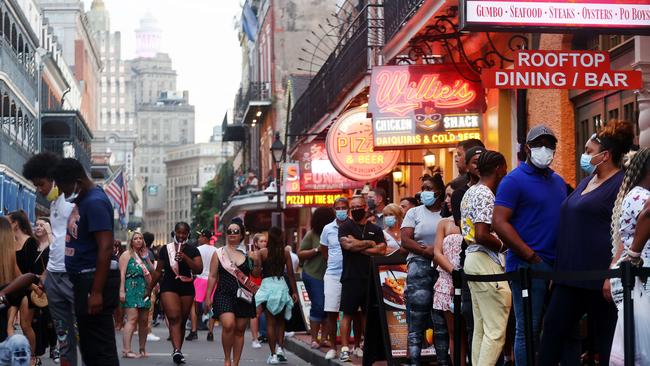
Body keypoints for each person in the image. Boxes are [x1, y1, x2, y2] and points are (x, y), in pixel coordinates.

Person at [539, 121, 634, 366]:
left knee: (606, 340)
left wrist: (612, 272)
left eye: (590, 151)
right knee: (551, 331)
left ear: (606, 155)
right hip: (569, 275)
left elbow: (625, 231)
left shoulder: (622, 184)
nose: (585, 155)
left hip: (599, 277)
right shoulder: (587, 180)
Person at [492, 125, 567, 366]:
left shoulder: (558, 181)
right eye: (539, 145)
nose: (545, 150)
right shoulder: (513, 180)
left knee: (557, 325)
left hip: (558, 265)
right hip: (527, 266)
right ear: (527, 148)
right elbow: (499, 222)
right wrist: (530, 255)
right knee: (528, 328)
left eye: (549, 145)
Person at [50, 158, 120, 366]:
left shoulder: (95, 202)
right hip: (82, 281)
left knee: (101, 349)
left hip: (93, 281)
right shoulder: (83, 200)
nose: (63, 193)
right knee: (90, 348)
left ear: (77, 181)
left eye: (64, 188)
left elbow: (105, 247)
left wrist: (96, 291)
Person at [22, 152, 78, 366]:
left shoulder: (70, 202)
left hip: (71, 276)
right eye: (35, 185)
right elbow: (56, 246)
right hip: (55, 276)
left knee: (79, 332)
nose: (39, 189)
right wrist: (46, 277)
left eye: (41, 184)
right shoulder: (54, 205)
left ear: (54, 178)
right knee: (63, 335)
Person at [460, 150, 511, 366]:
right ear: (499, 168)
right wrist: (503, 245)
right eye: (505, 168)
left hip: (473, 261)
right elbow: (481, 234)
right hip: (484, 260)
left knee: (481, 327)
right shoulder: (484, 194)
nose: (506, 173)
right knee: (496, 330)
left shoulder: (470, 191)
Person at [401, 174, 449, 366]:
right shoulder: (414, 213)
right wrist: (427, 251)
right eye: (423, 188)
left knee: (440, 317)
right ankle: (414, 360)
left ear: (438, 192)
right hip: (419, 265)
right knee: (417, 316)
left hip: (443, 266)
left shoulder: (446, 213)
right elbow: (405, 240)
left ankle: (443, 360)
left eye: (428, 188)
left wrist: (438, 254)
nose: (424, 192)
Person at [338, 195, 387, 362]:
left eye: (358, 206)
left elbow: (382, 250)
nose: (355, 210)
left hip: (370, 278)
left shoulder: (376, 229)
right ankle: (345, 349)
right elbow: (347, 245)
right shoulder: (345, 227)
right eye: (353, 208)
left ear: (366, 207)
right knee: (348, 313)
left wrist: (359, 245)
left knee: (368, 314)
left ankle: (367, 347)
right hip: (351, 277)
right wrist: (369, 243)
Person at [146, 222, 202, 364]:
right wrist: (150, 288)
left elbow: (198, 269)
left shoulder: (193, 250)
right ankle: (176, 350)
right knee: (174, 317)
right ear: (175, 232)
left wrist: (185, 258)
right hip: (169, 285)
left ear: (188, 233)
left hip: (186, 287)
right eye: (179, 232)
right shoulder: (165, 249)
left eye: (184, 233)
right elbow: (158, 271)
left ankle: (179, 350)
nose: (181, 236)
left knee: (182, 320)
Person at [204, 221, 256, 366]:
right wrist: (208, 296)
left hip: (243, 295)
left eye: (236, 232)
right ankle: (227, 360)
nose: (232, 234)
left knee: (239, 330)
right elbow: (213, 276)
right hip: (223, 293)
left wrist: (256, 260)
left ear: (241, 235)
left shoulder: (248, 253)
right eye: (229, 231)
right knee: (228, 325)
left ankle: (236, 363)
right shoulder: (218, 253)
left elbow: (256, 273)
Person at [253, 227, 299, 364]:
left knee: (270, 322)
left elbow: (256, 273)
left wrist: (255, 261)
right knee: (280, 321)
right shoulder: (285, 253)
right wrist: (295, 292)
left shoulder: (262, 252)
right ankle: (280, 349)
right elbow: (290, 273)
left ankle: (273, 355)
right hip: (281, 287)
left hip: (267, 287)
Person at [433, 184, 467, 366]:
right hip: (448, 281)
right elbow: (437, 253)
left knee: (474, 330)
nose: (447, 200)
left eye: (451, 196)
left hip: (472, 280)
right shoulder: (444, 223)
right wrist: (454, 272)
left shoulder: (473, 222)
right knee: (455, 332)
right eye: (446, 196)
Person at [297, 207, 334, 349]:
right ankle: (314, 338)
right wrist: (317, 249)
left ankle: (323, 338)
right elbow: (300, 253)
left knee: (328, 307)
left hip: (330, 275)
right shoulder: (312, 235)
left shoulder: (334, 233)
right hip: (312, 274)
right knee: (318, 304)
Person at [319, 198, 351, 360]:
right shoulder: (327, 229)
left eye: (344, 208)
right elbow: (324, 250)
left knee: (353, 312)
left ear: (348, 209)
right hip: (332, 274)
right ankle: (333, 347)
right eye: (338, 208)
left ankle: (355, 345)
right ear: (334, 210)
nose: (341, 210)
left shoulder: (354, 226)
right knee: (332, 311)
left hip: (351, 274)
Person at [8, 211, 40, 365]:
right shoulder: (9, 243)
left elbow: (33, 269)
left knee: (25, 325)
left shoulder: (30, 242)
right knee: (9, 324)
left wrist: (32, 285)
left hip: (28, 288)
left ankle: (32, 357)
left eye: (9, 221)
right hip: (13, 288)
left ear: (16, 223)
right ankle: (14, 356)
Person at [118, 231, 153, 359]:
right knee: (132, 319)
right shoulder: (126, 255)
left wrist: (147, 258)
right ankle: (126, 350)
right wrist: (121, 291)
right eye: (135, 239)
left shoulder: (144, 255)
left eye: (140, 238)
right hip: (130, 289)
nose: (138, 240)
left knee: (144, 321)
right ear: (131, 242)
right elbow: (121, 274)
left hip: (144, 289)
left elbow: (152, 271)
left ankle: (142, 349)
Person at [31, 218, 58, 364]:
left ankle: (54, 346)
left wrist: (49, 231)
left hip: (49, 285)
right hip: (33, 286)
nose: (38, 227)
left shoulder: (52, 243)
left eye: (42, 225)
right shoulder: (32, 244)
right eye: (37, 225)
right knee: (35, 319)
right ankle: (37, 353)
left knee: (49, 318)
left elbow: (57, 253)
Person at [191, 229, 217, 342]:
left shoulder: (197, 250)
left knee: (194, 305)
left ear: (205, 237)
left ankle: (194, 330)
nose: (199, 238)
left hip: (200, 279)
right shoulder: (216, 250)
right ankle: (210, 332)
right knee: (212, 307)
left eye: (200, 236)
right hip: (212, 280)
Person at [142, 231, 161, 341]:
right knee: (149, 308)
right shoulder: (149, 253)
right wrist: (156, 283)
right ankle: (148, 331)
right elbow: (153, 270)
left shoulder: (138, 252)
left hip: (140, 283)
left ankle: (142, 330)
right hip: (148, 283)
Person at [249, 233, 267, 348]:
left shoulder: (266, 254)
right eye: (261, 241)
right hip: (255, 285)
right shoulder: (252, 255)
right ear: (255, 243)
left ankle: (261, 335)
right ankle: (254, 339)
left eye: (265, 241)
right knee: (256, 312)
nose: (264, 243)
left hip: (267, 285)